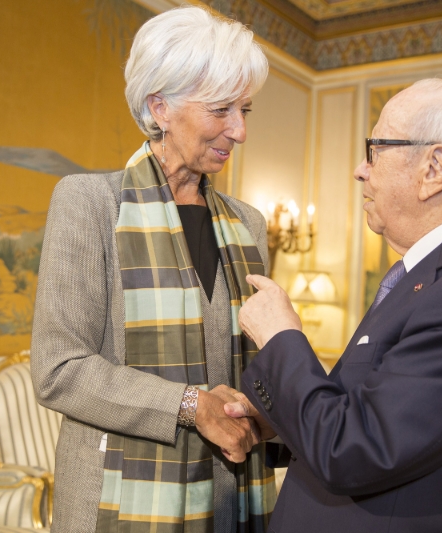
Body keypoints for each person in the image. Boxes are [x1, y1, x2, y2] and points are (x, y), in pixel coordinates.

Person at [228, 78, 442, 532]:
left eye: (375, 149)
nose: (360, 170)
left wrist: (281, 338)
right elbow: (385, 416)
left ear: (436, 168)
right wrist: (280, 418)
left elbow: (353, 451)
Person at [31, 7, 277, 533]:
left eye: (245, 109)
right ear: (158, 106)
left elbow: (256, 366)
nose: (239, 131)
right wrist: (191, 406)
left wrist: (266, 408)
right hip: (114, 502)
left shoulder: (249, 224)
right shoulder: (89, 204)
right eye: (221, 109)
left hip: (228, 497)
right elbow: (59, 370)